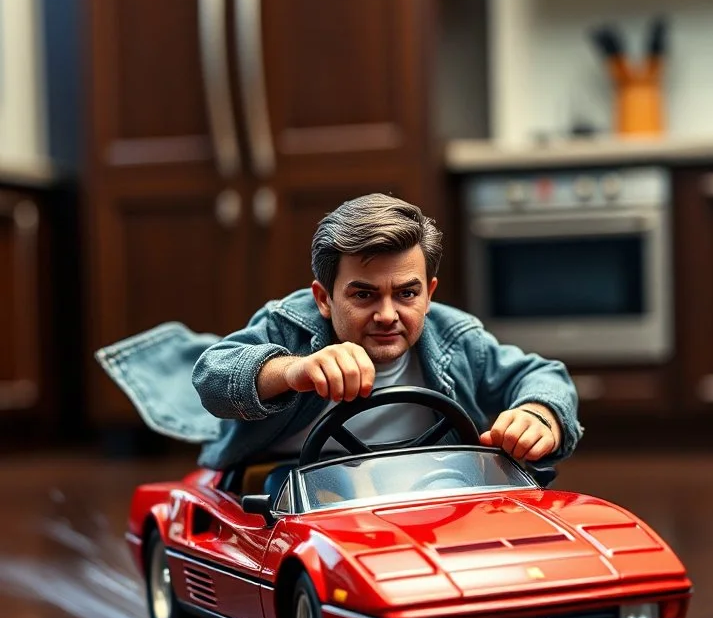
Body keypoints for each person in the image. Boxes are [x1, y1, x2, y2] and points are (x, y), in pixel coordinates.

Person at [96, 194, 582, 484]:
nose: (388, 315)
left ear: (429, 293)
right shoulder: (291, 325)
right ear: (324, 299)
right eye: (364, 295)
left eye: (407, 293)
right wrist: (292, 370)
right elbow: (213, 373)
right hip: (290, 488)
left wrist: (539, 414)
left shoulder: (457, 339)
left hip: (425, 489)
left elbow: (543, 375)